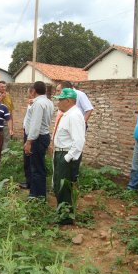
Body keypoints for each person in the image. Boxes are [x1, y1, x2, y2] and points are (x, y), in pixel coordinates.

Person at [52, 88, 86, 225]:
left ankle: (65, 217)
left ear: (68, 100)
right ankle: (62, 212)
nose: (58, 102)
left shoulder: (74, 115)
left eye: (60, 99)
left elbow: (79, 141)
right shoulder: (68, 113)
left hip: (66, 155)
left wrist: (67, 157)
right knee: (59, 184)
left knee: (63, 186)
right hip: (61, 152)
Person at [24, 81, 54, 198]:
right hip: (43, 136)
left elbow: (35, 125)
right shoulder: (48, 102)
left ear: (34, 91)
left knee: (36, 167)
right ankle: (39, 193)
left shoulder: (38, 104)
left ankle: (37, 195)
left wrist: (29, 142)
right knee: (39, 165)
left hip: (37, 138)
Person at [19, 87, 34, 189]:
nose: (28, 95)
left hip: (31, 135)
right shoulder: (32, 103)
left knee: (29, 158)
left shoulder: (35, 104)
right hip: (28, 133)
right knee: (27, 158)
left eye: (29, 93)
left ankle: (30, 183)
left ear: (33, 92)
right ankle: (29, 181)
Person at [0, 81, 14, 150]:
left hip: (6, 120)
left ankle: (4, 155)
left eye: (5, 87)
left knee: (6, 138)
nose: (4, 88)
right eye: (2, 87)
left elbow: (10, 110)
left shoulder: (8, 95)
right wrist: (1, 97)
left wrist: (12, 126)